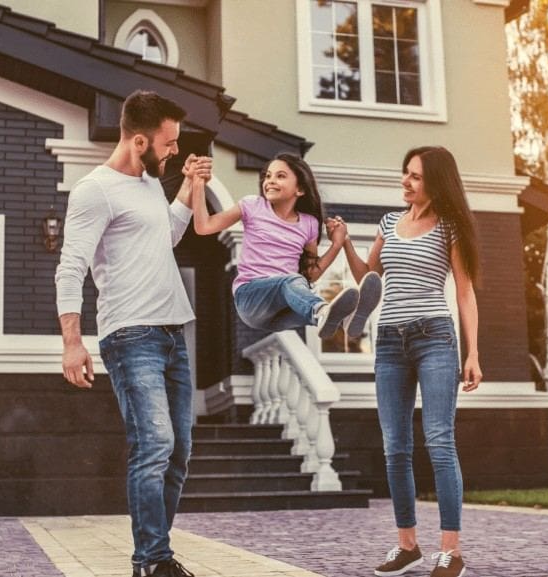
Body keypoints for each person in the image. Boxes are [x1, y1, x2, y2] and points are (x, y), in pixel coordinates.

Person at [54, 90, 207, 577]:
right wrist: (72, 342)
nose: (174, 151)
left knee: (179, 451)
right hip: (130, 335)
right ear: (138, 139)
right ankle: (153, 561)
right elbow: (70, 266)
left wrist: (187, 188)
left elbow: (166, 237)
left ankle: (156, 552)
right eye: (168, 143)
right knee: (155, 444)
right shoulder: (94, 190)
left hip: (172, 332)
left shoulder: (149, 184)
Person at [339, 146, 483, 577]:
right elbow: (368, 275)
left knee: (439, 441)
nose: (405, 181)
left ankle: (451, 551)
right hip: (388, 342)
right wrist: (345, 240)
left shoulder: (451, 227)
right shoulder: (389, 222)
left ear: (435, 182)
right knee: (394, 448)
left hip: (435, 338)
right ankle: (407, 546)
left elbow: (464, 292)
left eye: (416, 176)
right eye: (405, 173)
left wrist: (472, 352)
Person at [188, 152, 382, 338]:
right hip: (250, 298)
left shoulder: (309, 223)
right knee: (292, 283)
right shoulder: (252, 206)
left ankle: (347, 319)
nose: (270, 181)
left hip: (280, 310)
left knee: (301, 289)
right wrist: (197, 184)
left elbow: (311, 274)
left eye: (280, 176)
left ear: (300, 189)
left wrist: (337, 244)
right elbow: (204, 226)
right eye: (267, 176)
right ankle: (321, 310)